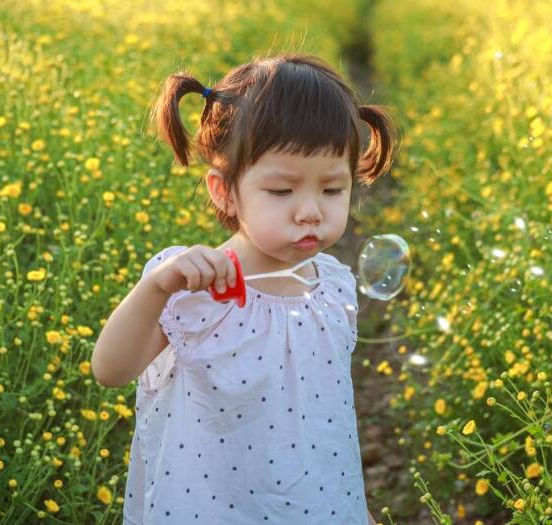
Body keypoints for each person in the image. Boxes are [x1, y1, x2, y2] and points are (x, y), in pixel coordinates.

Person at [91, 52, 397, 524]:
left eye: (333, 190)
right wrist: (155, 289)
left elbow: (324, 419)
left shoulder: (332, 285)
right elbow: (110, 370)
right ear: (225, 191)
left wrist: (351, 507)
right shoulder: (191, 286)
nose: (310, 211)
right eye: (281, 191)